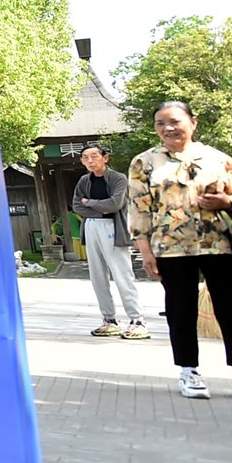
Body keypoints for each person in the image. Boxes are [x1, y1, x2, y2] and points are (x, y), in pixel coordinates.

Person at [128, 100, 232, 404]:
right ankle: (189, 371)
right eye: (160, 123)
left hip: (219, 244)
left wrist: (226, 201)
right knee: (180, 311)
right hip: (170, 248)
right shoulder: (144, 163)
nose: (168, 128)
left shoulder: (218, 159)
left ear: (192, 123)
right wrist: (145, 252)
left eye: (175, 121)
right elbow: (139, 209)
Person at [72, 145, 147, 339]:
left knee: (122, 274)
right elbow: (77, 206)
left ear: (105, 158)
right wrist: (99, 209)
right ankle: (109, 319)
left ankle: (137, 320)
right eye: (85, 157)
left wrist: (90, 203)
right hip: (91, 226)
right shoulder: (84, 180)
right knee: (97, 275)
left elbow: (115, 204)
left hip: (113, 227)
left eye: (94, 156)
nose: (90, 161)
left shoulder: (118, 178)